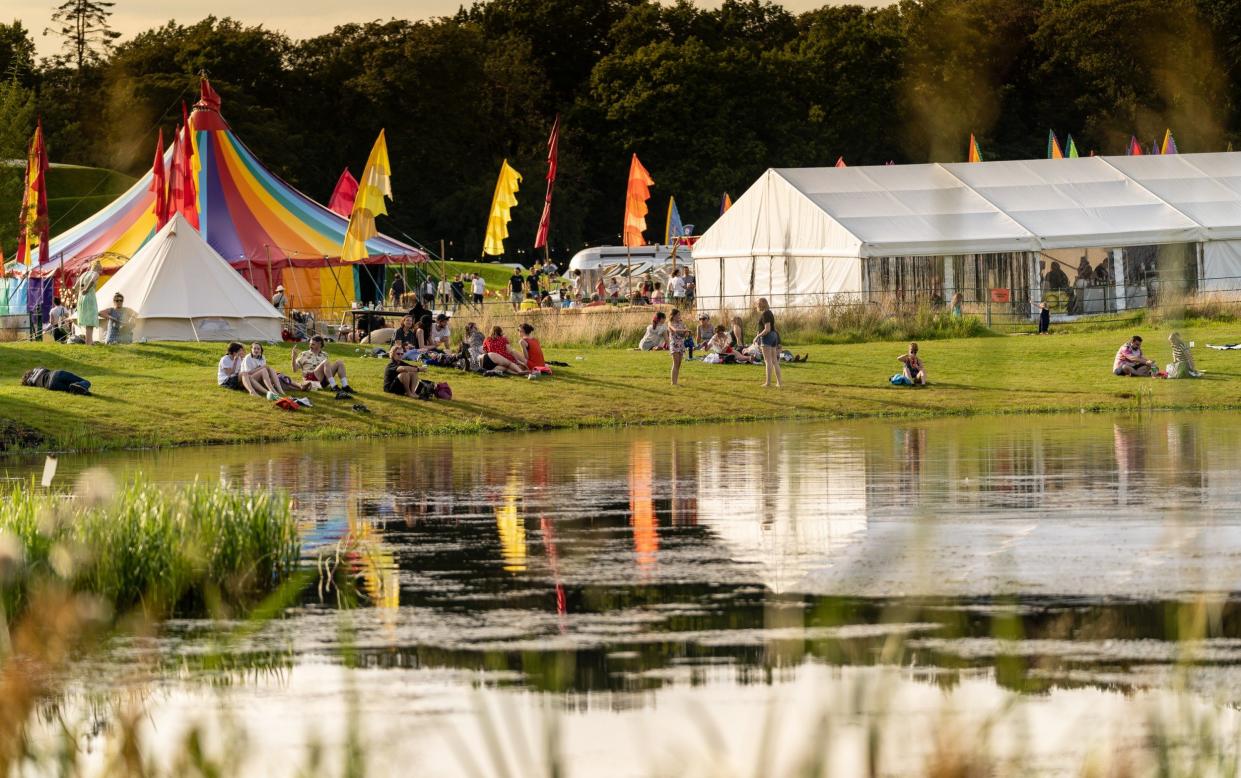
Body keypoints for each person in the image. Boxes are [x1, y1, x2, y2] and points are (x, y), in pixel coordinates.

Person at [755, 298, 782, 388]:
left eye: (758, 303)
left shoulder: (765, 314)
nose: (757, 305)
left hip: (767, 337)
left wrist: (757, 337)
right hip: (774, 336)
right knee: (774, 360)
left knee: (768, 361)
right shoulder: (769, 312)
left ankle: (768, 383)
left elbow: (767, 329)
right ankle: (779, 383)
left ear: (763, 303)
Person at [76, 260, 101, 345]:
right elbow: (92, 281)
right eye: (100, 269)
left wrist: (81, 292)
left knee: (86, 320)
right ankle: (89, 342)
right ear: (97, 267)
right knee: (90, 321)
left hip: (81, 298)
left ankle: (89, 341)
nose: (100, 271)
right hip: (89, 297)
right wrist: (86, 289)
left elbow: (76, 286)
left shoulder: (83, 274)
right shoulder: (95, 274)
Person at [20, 367, 91, 395]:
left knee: (70, 389)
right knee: (87, 382)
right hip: (57, 374)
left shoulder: (31, 383)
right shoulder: (38, 369)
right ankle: (81, 386)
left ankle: (81, 390)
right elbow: (47, 370)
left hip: (50, 385)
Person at [667, 308, 688, 385]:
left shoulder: (682, 323)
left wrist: (686, 333)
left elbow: (686, 332)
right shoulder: (670, 323)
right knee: (675, 363)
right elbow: (674, 330)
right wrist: (684, 330)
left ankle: (675, 381)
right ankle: (673, 382)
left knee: (679, 364)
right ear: (673, 316)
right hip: (674, 345)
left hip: (681, 345)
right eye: (677, 315)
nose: (679, 316)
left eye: (679, 315)